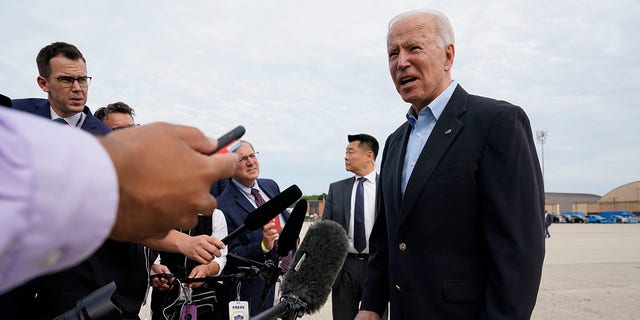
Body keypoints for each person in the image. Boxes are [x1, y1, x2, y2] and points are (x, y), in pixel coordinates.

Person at [356, 10, 545, 320]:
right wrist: (372, 305)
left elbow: (518, 252)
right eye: (393, 53)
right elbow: (385, 239)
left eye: (413, 48)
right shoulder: (394, 142)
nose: (401, 62)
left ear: (448, 55)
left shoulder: (497, 123)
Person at [0, 106, 237, 295]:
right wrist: (183, 241)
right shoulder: (87, 190)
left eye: (133, 129)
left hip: (130, 301)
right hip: (91, 300)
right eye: (119, 134)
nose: (129, 140)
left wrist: (150, 269)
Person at [216, 140, 290, 317]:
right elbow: (230, 255)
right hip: (254, 294)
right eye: (242, 159)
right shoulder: (222, 206)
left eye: (252, 155)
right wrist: (263, 246)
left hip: (286, 288)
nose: (251, 162)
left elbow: (284, 222)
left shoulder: (271, 186)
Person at [322, 134, 387, 320]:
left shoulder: (387, 187)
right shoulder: (337, 189)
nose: (345, 156)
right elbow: (325, 233)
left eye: (350, 152)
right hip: (345, 268)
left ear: (369, 155)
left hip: (377, 265)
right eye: (345, 152)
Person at [11, 42, 110, 135]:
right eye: (66, 80)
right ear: (43, 84)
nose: (77, 88)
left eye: (82, 80)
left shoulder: (107, 138)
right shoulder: (12, 113)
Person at [150, 208, 229, 320]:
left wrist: (207, 269)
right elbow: (146, 253)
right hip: (167, 295)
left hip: (206, 298)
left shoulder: (214, 215)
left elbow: (221, 257)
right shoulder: (160, 215)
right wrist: (154, 272)